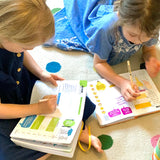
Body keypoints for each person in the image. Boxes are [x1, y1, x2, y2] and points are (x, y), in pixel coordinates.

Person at [0, 1, 102, 160]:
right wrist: (37, 109)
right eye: (26, 47)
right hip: (5, 108)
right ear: (5, 35)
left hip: (22, 84)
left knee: (81, 102)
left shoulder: (10, 40)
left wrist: (41, 73)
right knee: (10, 155)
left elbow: (21, 55)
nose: (30, 50)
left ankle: (66, 136)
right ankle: (66, 140)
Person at [45, 0, 160, 102]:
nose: (138, 42)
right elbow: (99, 63)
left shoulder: (152, 24)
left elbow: (148, 49)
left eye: (145, 37)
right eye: (132, 34)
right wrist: (122, 82)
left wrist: (151, 58)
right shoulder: (106, 28)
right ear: (120, 18)